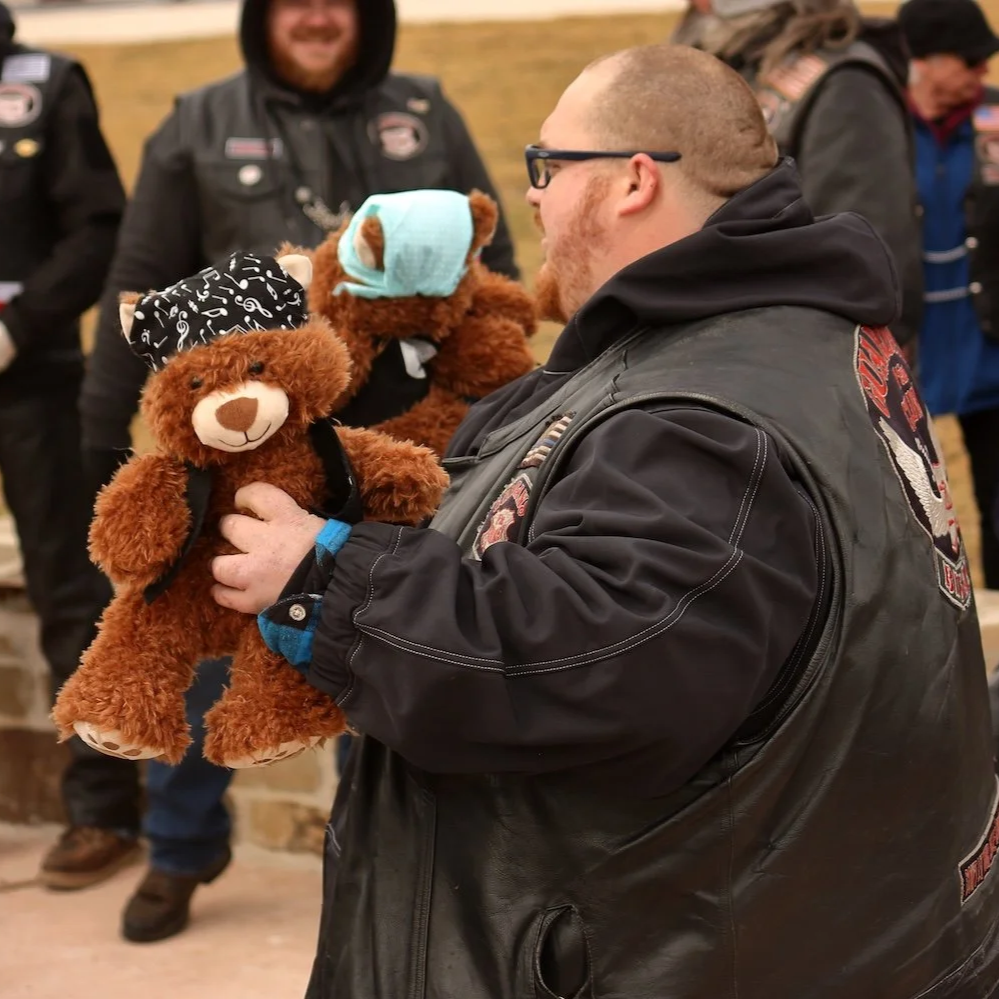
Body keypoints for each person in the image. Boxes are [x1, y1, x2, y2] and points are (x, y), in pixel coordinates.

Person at [209, 43, 999, 998]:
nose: (531, 195)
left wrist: (327, 582)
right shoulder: (779, 331)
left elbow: (583, 661)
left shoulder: (706, 420)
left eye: (549, 165)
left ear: (632, 180)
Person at [80, 0, 519, 945]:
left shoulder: (424, 112)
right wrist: (97, 429)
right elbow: (141, 275)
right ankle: (179, 846)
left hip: (400, 447)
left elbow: (490, 265)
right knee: (202, 632)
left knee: (408, 642)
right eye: (294, 0)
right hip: (247, 449)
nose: (317, 16)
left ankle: (419, 862)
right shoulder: (195, 122)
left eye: (339, 0)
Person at [0, 2, 142, 891]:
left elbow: (99, 226)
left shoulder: (45, 85)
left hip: (31, 377)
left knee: (66, 585)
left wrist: (17, 325)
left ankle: (102, 807)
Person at [671, 0, 923, 349]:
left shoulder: (845, 82)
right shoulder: (737, 61)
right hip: (725, 344)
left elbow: (863, 258)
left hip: (798, 359)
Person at [898, 0, 999, 592]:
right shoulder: (874, 125)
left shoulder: (994, 120)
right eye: (970, 60)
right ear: (924, 60)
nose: (982, 73)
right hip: (905, 358)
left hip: (988, 347)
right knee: (912, 518)